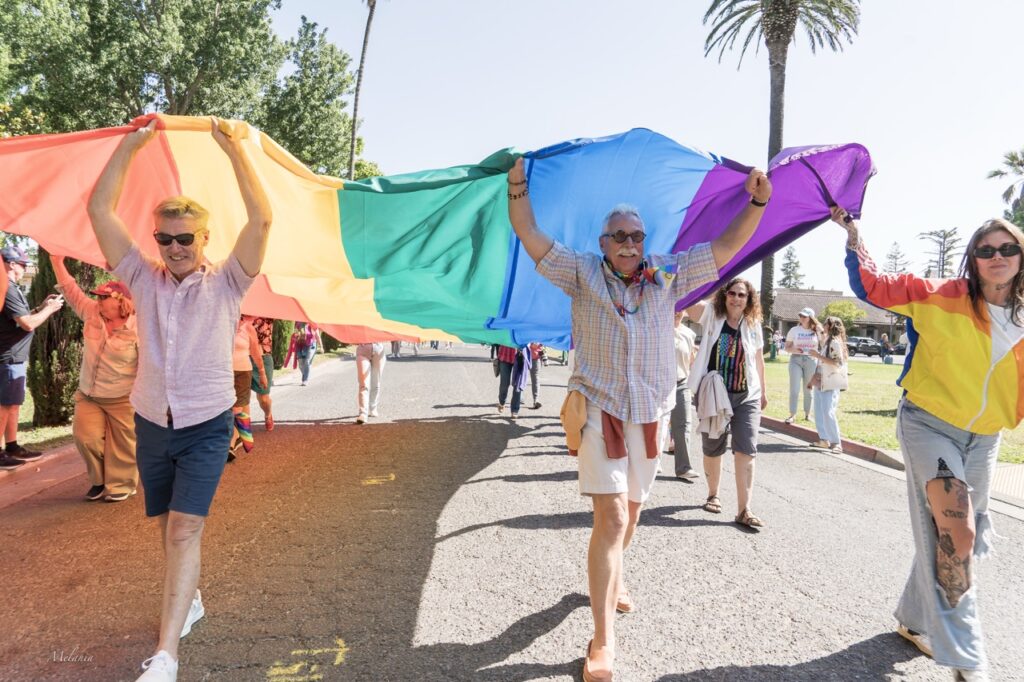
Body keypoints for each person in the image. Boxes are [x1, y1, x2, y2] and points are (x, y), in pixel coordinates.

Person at [508, 155, 771, 682]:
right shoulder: (581, 271)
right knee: (611, 519)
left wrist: (758, 202)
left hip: (650, 414)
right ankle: (602, 641)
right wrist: (518, 183)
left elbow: (726, 247)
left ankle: (615, 576)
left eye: (636, 235)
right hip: (598, 409)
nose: (629, 244)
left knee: (630, 516)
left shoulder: (668, 274)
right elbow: (530, 234)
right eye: (619, 236)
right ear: (604, 242)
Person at [87, 117, 272, 682]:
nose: (174, 248)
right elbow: (100, 211)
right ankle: (187, 599)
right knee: (165, 524)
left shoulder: (229, 281)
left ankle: (166, 656)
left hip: (206, 424)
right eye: (164, 239)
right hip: (151, 422)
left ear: (204, 239)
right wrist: (130, 146)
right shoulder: (142, 278)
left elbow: (262, 219)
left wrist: (234, 149)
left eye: (185, 238)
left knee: (184, 530)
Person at [837, 205, 1021, 681]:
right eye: (986, 250)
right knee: (957, 533)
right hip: (929, 424)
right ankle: (967, 658)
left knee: (949, 534)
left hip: (985, 437)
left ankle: (915, 620)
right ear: (972, 259)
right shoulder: (941, 295)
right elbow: (874, 285)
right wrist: (854, 236)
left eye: (1008, 248)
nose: (997, 256)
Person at [52, 255, 140, 501]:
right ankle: (100, 480)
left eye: (104, 297)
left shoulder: (139, 327)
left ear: (121, 302)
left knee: (124, 445)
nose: (98, 301)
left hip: (123, 396)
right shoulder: (92, 313)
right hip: (89, 394)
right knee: (86, 438)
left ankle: (122, 484)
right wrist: (57, 262)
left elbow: (148, 366)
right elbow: (71, 291)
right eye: (98, 297)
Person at [686, 277, 768, 531]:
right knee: (713, 446)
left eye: (742, 295)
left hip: (746, 395)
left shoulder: (753, 324)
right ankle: (713, 494)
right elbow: (688, 303)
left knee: (746, 450)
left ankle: (744, 510)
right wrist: (713, 291)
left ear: (749, 299)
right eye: (731, 293)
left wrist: (763, 392)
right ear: (724, 295)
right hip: (714, 393)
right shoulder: (712, 314)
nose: (736, 298)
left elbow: (758, 359)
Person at [0, 246, 64, 470]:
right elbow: (27, 323)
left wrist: (41, 307)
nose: (25, 268)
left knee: (13, 405)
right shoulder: (7, 288)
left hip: (14, 357)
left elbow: (20, 319)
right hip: (8, 357)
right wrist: (50, 309)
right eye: (23, 264)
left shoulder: (10, 288)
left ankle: (12, 447)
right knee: (4, 406)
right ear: (11, 264)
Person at [807, 315, 848, 453]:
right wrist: (813, 379)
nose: (823, 325)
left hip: (829, 381)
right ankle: (824, 440)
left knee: (827, 411)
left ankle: (836, 442)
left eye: (826, 323)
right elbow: (821, 363)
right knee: (819, 411)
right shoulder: (828, 341)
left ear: (830, 326)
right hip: (822, 380)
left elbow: (837, 363)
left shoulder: (834, 342)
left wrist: (817, 355)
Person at [228, 317, 267, 461]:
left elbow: (256, 352)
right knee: (225, 408)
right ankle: (238, 436)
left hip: (243, 373)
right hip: (223, 372)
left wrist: (262, 373)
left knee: (236, 409)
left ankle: (232, 441)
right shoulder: (224, 323)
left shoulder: (248, 327)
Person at [669, 310, 699, 480]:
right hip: (660, 384)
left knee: (684, 425)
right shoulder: (659, 329)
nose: (677, 313)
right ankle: (653, 463)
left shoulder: (689, 334)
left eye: (680, 309)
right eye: (674, 309)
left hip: (681, 383)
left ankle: (683, 467)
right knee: (658, 426)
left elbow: (691, 361)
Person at [784, 307, 822, 424]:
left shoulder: (817, 331)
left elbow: (824, 344)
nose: (801, 318)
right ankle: (792, 415)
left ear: (811, 318)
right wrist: (793, 349)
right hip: (796, 359)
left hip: (811, 360)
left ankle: (807, 414)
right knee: (794, 389)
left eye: (804, 316)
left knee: (808, 388)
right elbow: (787, 347)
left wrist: (820, 330)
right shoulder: (794, 330)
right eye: (800, 315)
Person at [246, 316, 275, 431]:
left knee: (264, 398)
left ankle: (268, 414)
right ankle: (243, 429)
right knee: (242, 398)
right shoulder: (239, 313)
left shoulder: (267, 314)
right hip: (242, 357)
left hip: (263, 357)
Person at [355, 342, 387, 424]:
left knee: (375, 382)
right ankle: (363, 413)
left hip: (378, 349)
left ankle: (373, 408)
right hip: (363, 349)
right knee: (363, 383)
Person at [494, 344, 526, 419]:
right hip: (505, 355)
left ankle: (515, 410)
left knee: (517, 385)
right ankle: (502, 402)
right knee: (504, 383)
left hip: (519, 356)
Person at [285, 322, 318, 386]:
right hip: (299, 345)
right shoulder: (298, 322)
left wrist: (321, 346)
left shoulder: (311, 323)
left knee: (307, 362)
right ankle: (305, 374)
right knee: (300, 364)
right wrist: (296, 336)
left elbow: (315, 333)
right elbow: (296, 332)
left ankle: (305, 379)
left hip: (309, 344)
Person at [528, 342, 545, 409]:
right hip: (523, 356)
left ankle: (536, 401)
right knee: (520, 379)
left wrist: (540, 345)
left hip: (536, 357)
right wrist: (530, 344)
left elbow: (543, 342)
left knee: (535, 379)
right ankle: (518, 398)